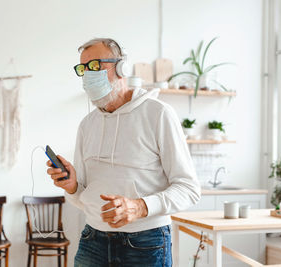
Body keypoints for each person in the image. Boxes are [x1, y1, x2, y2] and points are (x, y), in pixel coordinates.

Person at [46, 38, 201, 267]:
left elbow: (189, 189)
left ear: (121, 68)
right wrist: (72, 186)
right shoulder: (87, 125)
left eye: (96, 66)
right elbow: (83, 196)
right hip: (93, 239)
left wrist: (139, 207)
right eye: (84, 69)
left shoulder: (158, 114)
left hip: (146, 243)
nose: (89, 74)